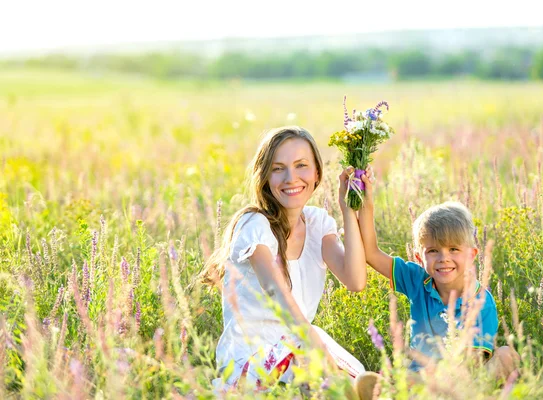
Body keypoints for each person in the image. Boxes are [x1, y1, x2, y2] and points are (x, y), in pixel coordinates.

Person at [200, 126, 369, 393]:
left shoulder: (317, 224)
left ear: (316, 173)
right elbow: (274, 288)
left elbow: (356, 280)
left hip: (299, 343)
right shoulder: (253, 225)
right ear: (265, 177)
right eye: (278, 168)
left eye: (301, 165)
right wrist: (309, 339)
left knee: (355, 378)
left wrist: (348, 208)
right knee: (315, 363)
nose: (291, 177)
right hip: (251, 358)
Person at [356, 166, 519, 380]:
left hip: (462, 381)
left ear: (472, 254)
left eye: (454, 249)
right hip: (420, 376)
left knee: (507, 356)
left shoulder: (481, 302)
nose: (444, 258)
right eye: (433, 251)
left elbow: (474, 362)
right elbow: (370, 253)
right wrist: (366, 201)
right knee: (408, 378)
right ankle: (384, 391)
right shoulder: (417, 280)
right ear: (418, 258)